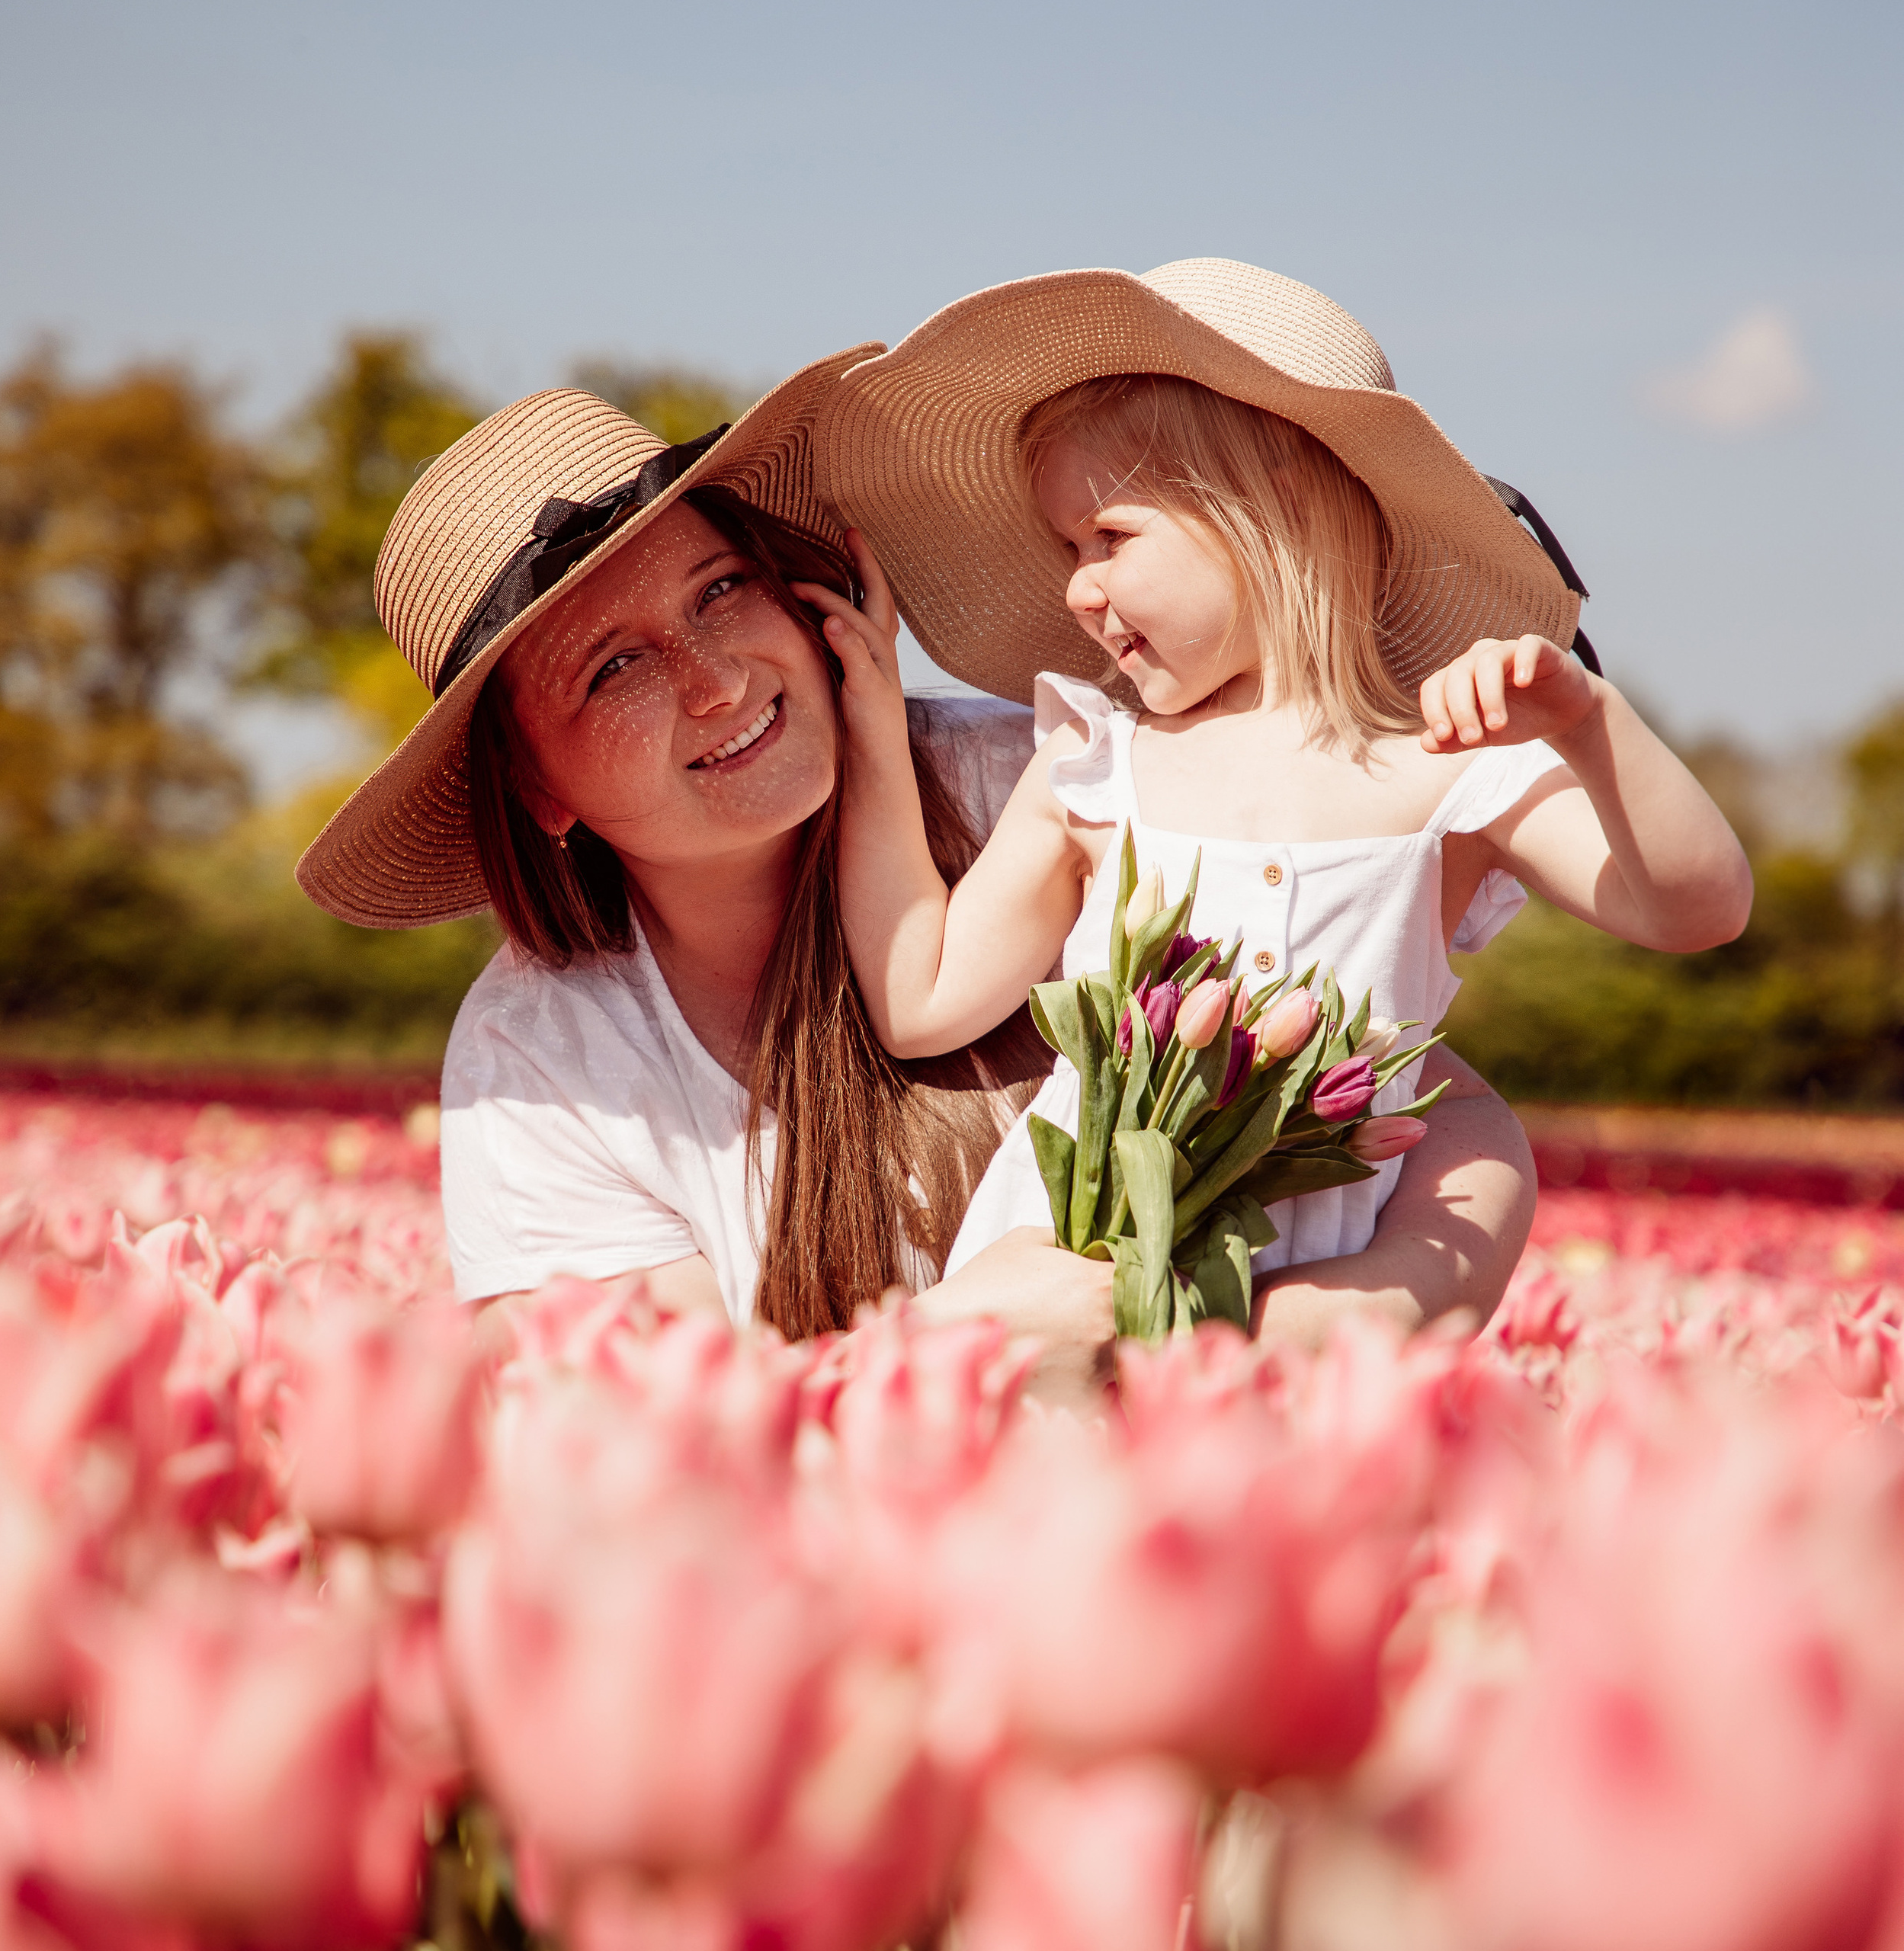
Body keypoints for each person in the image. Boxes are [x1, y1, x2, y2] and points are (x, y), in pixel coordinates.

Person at [294, 335, 1540, 1378]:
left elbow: (1431, 1104)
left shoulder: (1045, 783)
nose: (717, 680)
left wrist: (1375, 1304)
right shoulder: (547, 1067)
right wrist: (961, 1340)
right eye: (613, 669)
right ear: (536, 789)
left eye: (721, 591)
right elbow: (659, 1451)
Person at [813, 259, 1752, 1309]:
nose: (1079, 587)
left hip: (1319, 1308)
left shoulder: (1452, 765)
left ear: (1274, 502)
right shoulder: (1096, 766)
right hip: (1079, 1268)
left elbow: (1695, 910)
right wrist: (873, 735)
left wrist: (1591, 723)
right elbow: (920, 999)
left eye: (1111, 538)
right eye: (1068, 547)